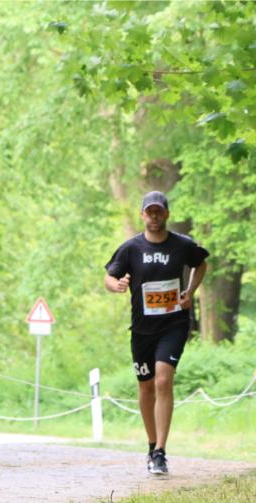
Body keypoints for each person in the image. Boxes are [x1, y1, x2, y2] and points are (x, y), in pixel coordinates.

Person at [105, 191, 209, 475]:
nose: (154, 216)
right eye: (149, 212)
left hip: (174, 323)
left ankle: (161, 451)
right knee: (146, 386)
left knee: (163, 380)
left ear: (166, 214)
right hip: (141, 329)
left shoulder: (182, 245)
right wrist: (113, 285)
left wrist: (189, 291)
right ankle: (152, 446)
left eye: (158, 211)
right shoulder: (131, 248)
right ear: (142, 215)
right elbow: (109, 274)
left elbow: (201, 263)